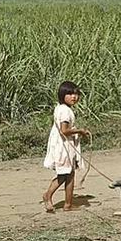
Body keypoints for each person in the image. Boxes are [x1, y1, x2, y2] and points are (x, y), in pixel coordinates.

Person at [42, 81, 90, 212]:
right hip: (64, 145)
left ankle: (68, 204)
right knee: (65, 173)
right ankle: (48, 195)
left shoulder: (61, 108)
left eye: (75, 94)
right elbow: (64, 131)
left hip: (61, 144)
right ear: (62, 95)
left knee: (69, 173)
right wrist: (79, 131)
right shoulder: (65, 111)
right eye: (69, 94)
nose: (73, 96)